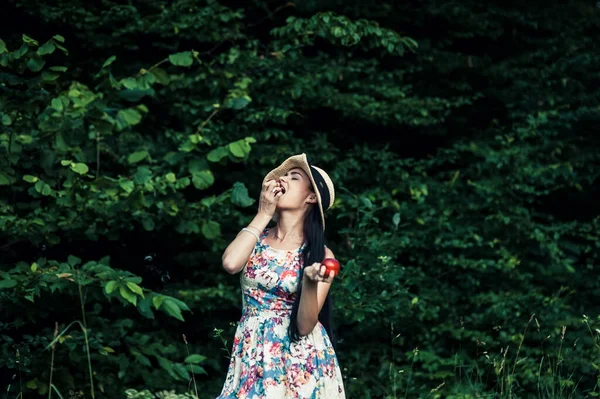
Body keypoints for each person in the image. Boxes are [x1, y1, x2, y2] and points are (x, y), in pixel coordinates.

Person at [216, 153, 347, 398]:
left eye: (294, 177)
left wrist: (308, 282)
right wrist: (264, 213)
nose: (283, 179)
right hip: (252, 351)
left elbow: (305, 325)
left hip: (300, 360)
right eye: (283, 175)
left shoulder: (320, 254)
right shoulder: (257, 238)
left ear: (310, 197)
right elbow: (231, 263)